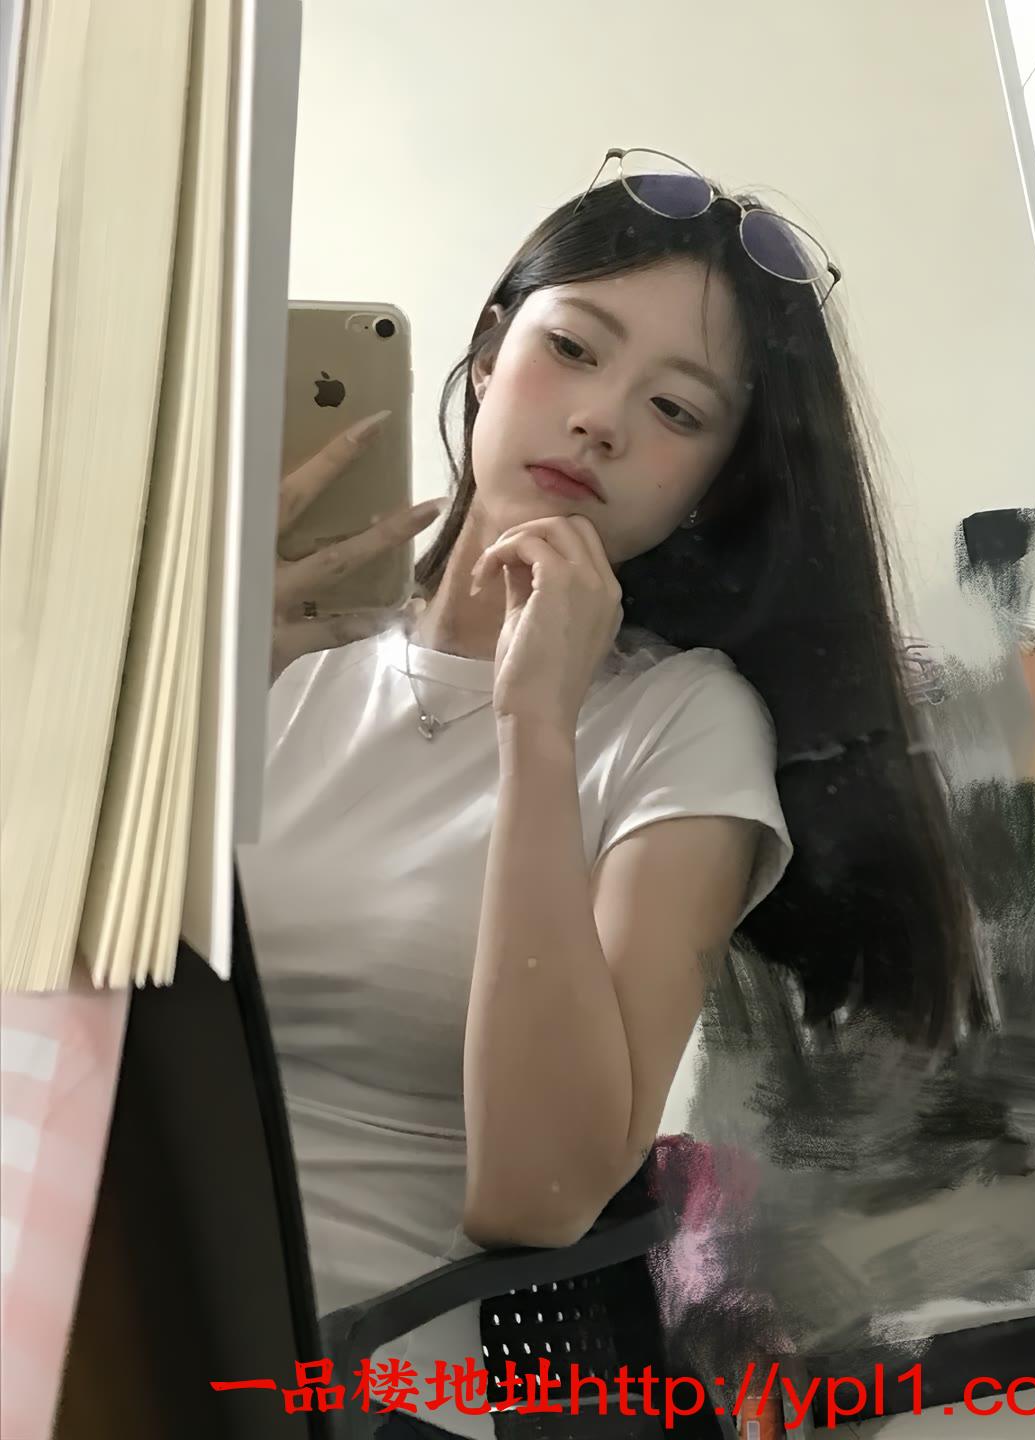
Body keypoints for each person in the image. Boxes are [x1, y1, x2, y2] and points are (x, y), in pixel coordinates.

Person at [237, 149, 976, 1439]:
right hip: (89, 1253)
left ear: (713, 486)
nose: (600, 420)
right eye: (572, 348)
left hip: (341, 1384)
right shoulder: (283, 648)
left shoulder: (684, 723)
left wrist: (536, 725)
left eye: (677, 411)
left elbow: (540, 1197)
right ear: (487, 351)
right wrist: (174, 689)